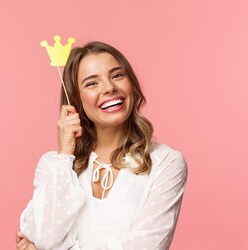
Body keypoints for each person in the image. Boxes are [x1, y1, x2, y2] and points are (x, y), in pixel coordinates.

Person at [16, 41, 188, 250]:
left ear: (131, 84)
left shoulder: (166, 162)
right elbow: (44, 236)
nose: (109, 88)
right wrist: (65, 155)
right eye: (91, 83)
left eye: (117, 75)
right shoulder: (54, 165)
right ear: (76, 100)